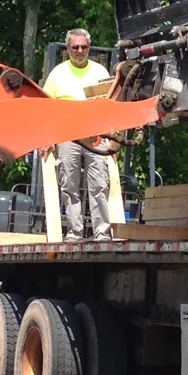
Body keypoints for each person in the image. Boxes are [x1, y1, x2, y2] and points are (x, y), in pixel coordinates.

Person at [40, 27, 116, 240]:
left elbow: (110, 107)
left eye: (84, 47)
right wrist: (47, 138)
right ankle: (74, 232)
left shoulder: (101, 72)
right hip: (68, 136)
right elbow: (46, 109)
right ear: (68, 48)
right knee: (69, 185)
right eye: (75, 47)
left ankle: (102, 232)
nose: (80, 51)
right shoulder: (57, 74)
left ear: (89, 47)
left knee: (99, 184)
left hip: (96, 136)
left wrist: (114, 137)